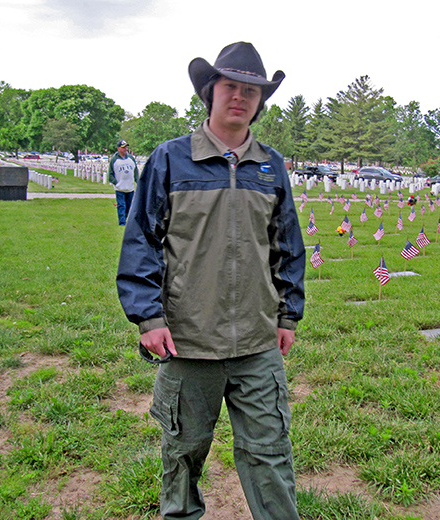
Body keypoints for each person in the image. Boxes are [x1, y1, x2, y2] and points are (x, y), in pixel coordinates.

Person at [116, 42, 306, 520]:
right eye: (230, 87)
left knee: (270, 454)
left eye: (251, 90)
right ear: (209, 92)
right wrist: (148, 317)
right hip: (188, 341)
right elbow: (142, 240)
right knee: (183, 456)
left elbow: (287, 246)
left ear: (260, 101)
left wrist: (288, 315)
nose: (240, 97)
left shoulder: (272, 166)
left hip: (259, 343)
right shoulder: (170, 159)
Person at [108, 140, 139, 225]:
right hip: (120, 188)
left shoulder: (130, 158)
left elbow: (135, 171)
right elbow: (110, 173)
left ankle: (126, 219)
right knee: (121, 205)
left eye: (126, 147)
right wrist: (116, 183)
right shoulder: (114, 159)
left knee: (128, 205)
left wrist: (138, 181)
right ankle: (122, 222)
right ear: (118, 148)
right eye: (123, 147)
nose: (125, 149)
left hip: (130, 187)